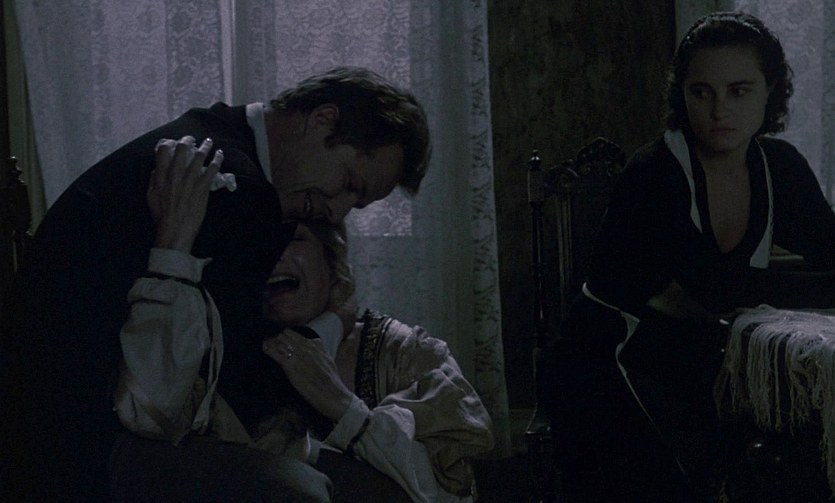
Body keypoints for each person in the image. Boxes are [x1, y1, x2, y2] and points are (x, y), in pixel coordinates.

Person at [2, 66, 431, 501]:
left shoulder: (218, 137)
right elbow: (241, 386)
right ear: (322, 119)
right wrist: (332, 328)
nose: (337, 213)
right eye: (349, 184)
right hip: (73, 438)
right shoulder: (236, 187)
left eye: (356, 202)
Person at [539, 12, 835, 502]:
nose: (720, 110)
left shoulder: (779, 168)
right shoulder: (655, 173)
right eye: (702, 92)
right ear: (683, 95)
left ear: (770, 91)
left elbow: (829, 246)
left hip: (695, 361)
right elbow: (711, 292)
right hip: (607, 362)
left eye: (739, 91)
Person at [114, 218, 494, 502]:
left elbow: (454, 493)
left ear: (331, 258)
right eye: (261, 244)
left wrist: (342, 407)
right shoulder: (218, 362)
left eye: (294, 238)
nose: (273, 256)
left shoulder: (404, 355)